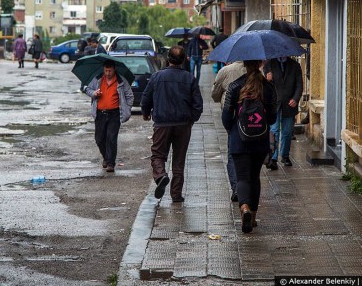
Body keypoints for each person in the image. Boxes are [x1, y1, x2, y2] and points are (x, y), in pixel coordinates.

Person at [141, 46, 203, 203]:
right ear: (183, 61)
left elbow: (146, 98)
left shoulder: (157, 77)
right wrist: (191, 120)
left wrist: (146, 113)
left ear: (168, 59)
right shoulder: (189, 78)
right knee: (179, 160)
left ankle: (161, 175)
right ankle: (176, 194)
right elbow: (198, 105)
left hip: (162, 123)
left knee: (157, 155)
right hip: (183, 124)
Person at [222, 60, 276, 233]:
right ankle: (252, 216)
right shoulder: (268, 87)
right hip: (260, 141)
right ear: (260, 64)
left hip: (239, 140)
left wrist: (234, 129)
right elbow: (273, 118)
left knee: (242, 177)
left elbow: (226, 116)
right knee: (255, 176)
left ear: (244, 64)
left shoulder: (235, 86)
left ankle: (244, 208)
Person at [85, 60, 134, 172]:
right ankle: (106, 158)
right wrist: (94, 93)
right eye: (106, 70)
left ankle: (111, 163)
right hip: (100, 113)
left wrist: (127, 108)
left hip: (114, 114)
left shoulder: (121, 80)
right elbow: (87, 89)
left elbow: (129, 96)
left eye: (110, 71)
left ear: (114, 69)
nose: (107, 73)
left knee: (111, 138)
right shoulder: (98, 79)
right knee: (99, 139)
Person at [211, 61, 246, 202]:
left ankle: (236, 188)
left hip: (232, 117)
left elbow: (214, 95)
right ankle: (247, 189)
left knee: (233, 152)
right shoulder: (257, 72)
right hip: (254, 121)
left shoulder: (225, 71)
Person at [264, 56, 303, 169]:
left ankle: (285, 156)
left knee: (286, 131)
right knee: (274, 130)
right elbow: (264, 87)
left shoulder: (295, 65)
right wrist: (267, 80)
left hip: (289, 103)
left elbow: (299, 85)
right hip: (274, 104)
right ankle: (273, 158)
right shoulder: (269, 64)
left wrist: (296, 99)